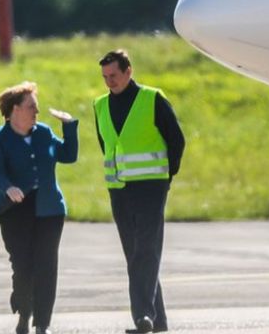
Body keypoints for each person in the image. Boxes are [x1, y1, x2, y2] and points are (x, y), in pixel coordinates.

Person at [95, 50, 185, 334]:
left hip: (151, 188)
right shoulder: (99, 106)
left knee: (145, 250)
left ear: (128, 71)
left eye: (114, 75)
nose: (110, 82)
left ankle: (142, 317)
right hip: (119, 189)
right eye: (105, 77)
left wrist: (166, 178)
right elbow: (107, 144)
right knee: (135, 253)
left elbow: (177, 140)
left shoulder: (152, 99)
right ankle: (158, 322)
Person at [0, 82, 78, 334]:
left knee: (46, 265)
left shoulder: (44, 133)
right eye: (32, 108)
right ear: (15, 109)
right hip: (16, 210)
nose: (36, 113)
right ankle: (24, 313)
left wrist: (69, 126)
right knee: (23, 266)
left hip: (50, 209)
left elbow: (68, 155)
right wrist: (8, 187)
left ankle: (42, 323)